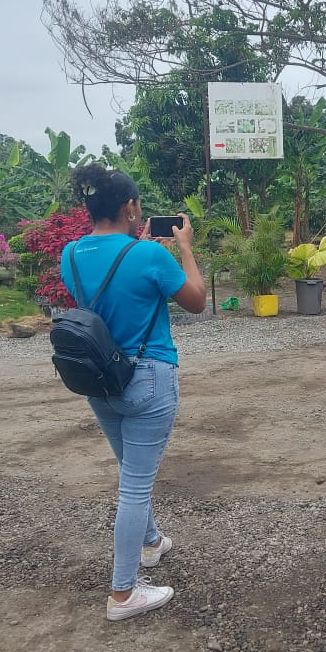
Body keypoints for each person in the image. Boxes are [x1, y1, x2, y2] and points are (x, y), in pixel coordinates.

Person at [60, 164, 207, 622]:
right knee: (135, 487)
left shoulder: (70, 254)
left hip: (99, 379)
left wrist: (135, 244)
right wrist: (185, 248)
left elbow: (106, 296)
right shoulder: (149, 256)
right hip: (148, 379)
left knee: (131, 472)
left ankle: (152, 542)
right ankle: (123, 593)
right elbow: (197, 301)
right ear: (130, 207)